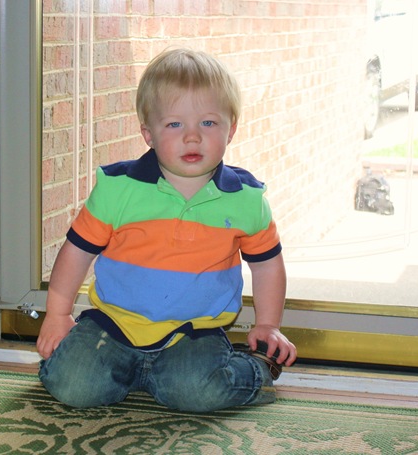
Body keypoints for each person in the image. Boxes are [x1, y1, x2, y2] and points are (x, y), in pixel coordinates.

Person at [37, 48, 297, 412]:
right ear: (149, 133)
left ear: (232, 129)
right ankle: (137, 374)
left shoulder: (246, 199)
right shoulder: (118, 188)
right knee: (73, 386)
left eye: (208, 123)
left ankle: (255, 369)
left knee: (197, 393)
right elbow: (77, 251)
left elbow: (267, 265)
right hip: (113, 324)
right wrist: (57, 313)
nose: (192, 137)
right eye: (175, 124)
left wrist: (268, 325)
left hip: (195, 332)